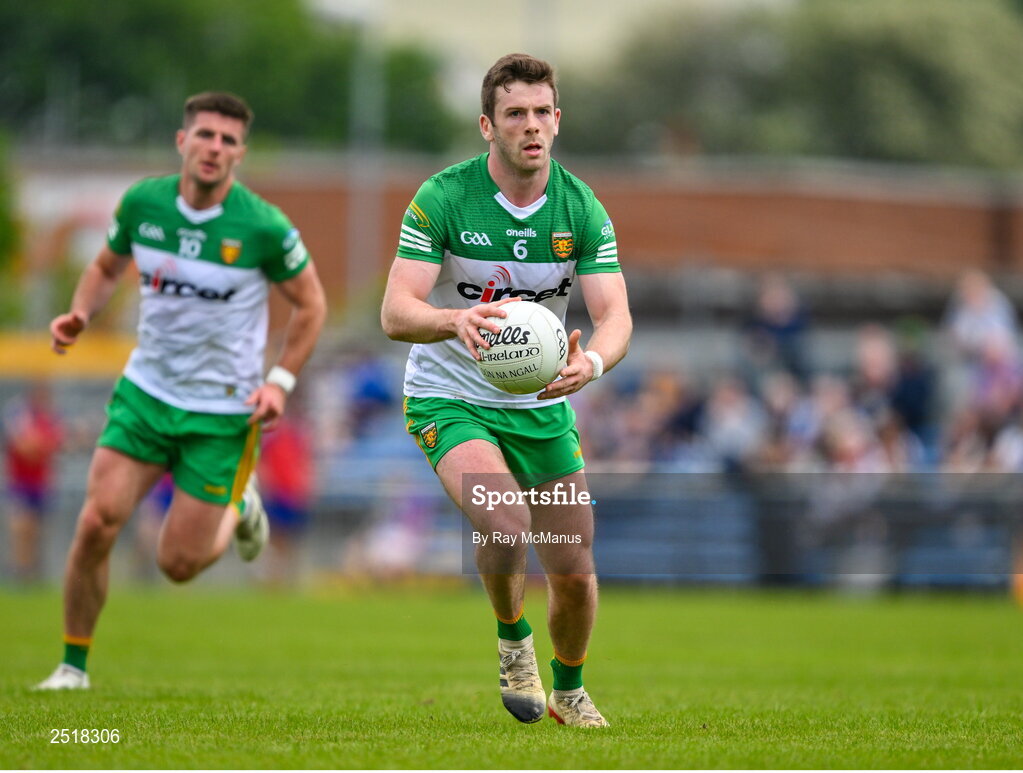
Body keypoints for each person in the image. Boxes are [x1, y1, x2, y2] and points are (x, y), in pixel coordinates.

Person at [35, 91, 327, 690]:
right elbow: (105, 267)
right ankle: (72, 667)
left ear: (239, 154)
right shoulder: (144, 203)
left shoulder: (264, 226)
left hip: (222, 412)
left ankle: (239, 505)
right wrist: (80, 314)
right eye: (205, 135)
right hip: (146, 395)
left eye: (227, 140)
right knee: (95, 524)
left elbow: (312, 305)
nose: (214, 147)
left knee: (178, 564)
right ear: (182, 141)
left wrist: (279, 381)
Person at [381, 53, 632, 728]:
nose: (531, 125)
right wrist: (451, 319)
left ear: (558, 120)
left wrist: (594, 365)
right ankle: (511, 638)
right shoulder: (443, 197)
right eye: (514, 113)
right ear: (486, 126)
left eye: (542, 112)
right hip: (449, 394)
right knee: (503, 519)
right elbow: (394, 310)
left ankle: (570, 690)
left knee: (575, 568)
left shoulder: (580, 208)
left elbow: (614, 316)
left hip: (540, 402)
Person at [3, 381, 63, 582]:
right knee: (21, 528)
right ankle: (21, 571)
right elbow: (23, 447)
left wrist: (36, 445)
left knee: (38, 531)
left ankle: (34, 572)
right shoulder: (18, 414)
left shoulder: (50, 416)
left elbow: (54, 444)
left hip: (42, 483)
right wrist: (37, 445)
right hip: (20, 482)